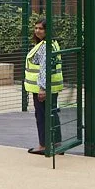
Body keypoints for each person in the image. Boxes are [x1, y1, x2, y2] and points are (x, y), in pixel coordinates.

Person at [24, 21, 62, 155]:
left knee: (42, 116)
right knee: (52, 114)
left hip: (42, 88)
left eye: (41, 28)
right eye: (35, 28)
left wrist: (42, 88)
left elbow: (44, 68)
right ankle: (57, 144)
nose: (37, 31)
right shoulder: (52, 43)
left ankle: (43, 145)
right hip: (52, 86)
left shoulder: (46, 46)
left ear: (47, 30)